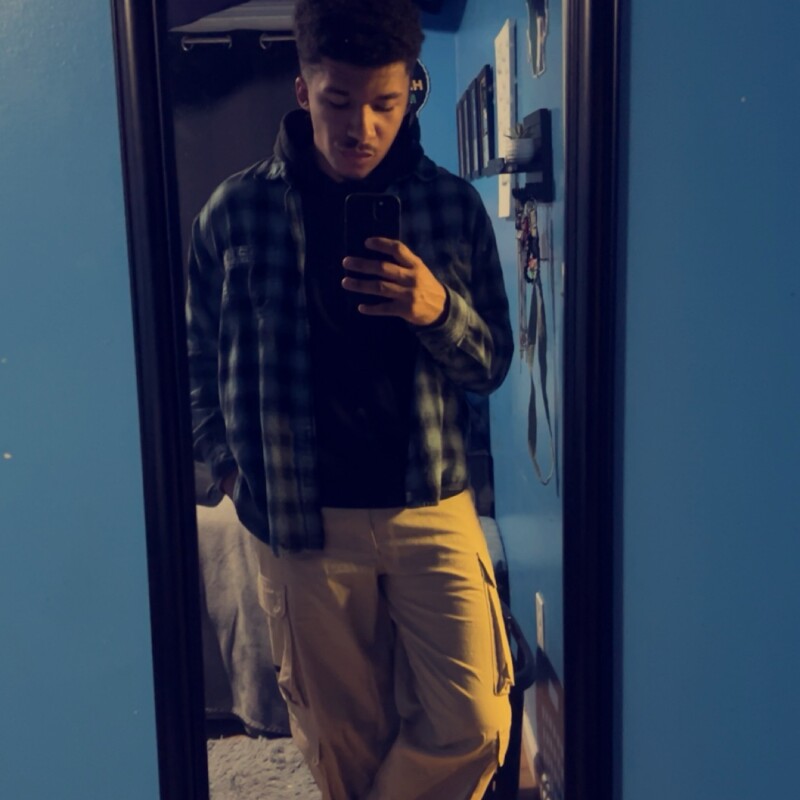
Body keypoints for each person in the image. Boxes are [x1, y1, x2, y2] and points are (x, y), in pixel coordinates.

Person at [186, 1, 515, 797]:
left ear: (411, 93)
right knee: (341, 741)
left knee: (477, 722)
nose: (361, 127)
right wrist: (227, 469)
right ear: (303, 90)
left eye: (384, 104)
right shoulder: (234, 211)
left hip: (431, 502)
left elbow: (492, 364)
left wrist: (436, 310)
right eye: (339, 101)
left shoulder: (452, 207)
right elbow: (194, 361)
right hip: (301, 521)